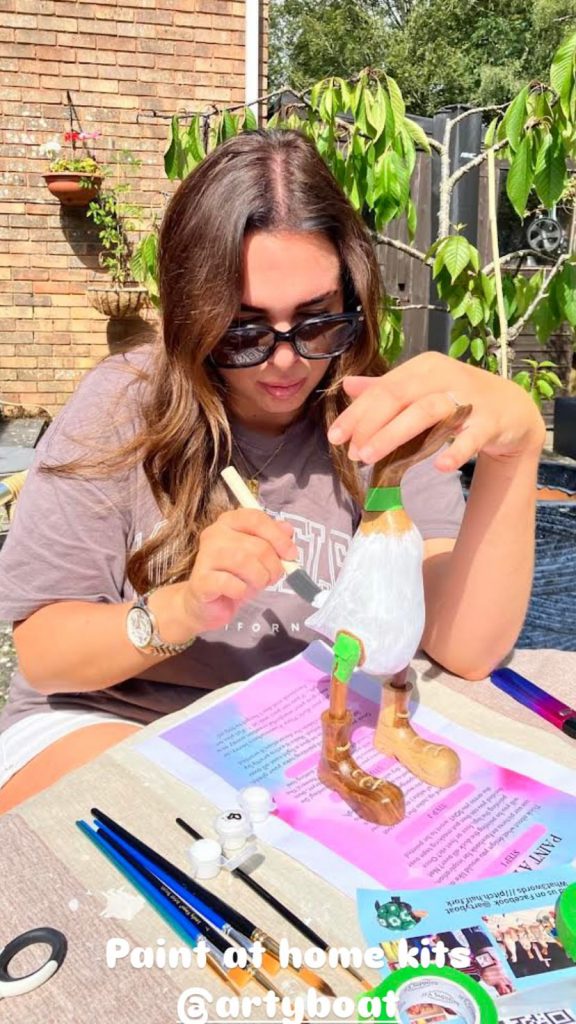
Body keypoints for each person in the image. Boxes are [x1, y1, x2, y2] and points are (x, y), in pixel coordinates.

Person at [0, 129, 545, 812]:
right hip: (112, 719)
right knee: (181, 825)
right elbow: (44, 653)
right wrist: (183, 608)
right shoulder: (123, 406)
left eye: (317, 322)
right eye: (243, 330)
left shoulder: (380, 414)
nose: (285, 361)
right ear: (192, 314)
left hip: (294, 733)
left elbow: (464, 647)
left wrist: (515, 449)